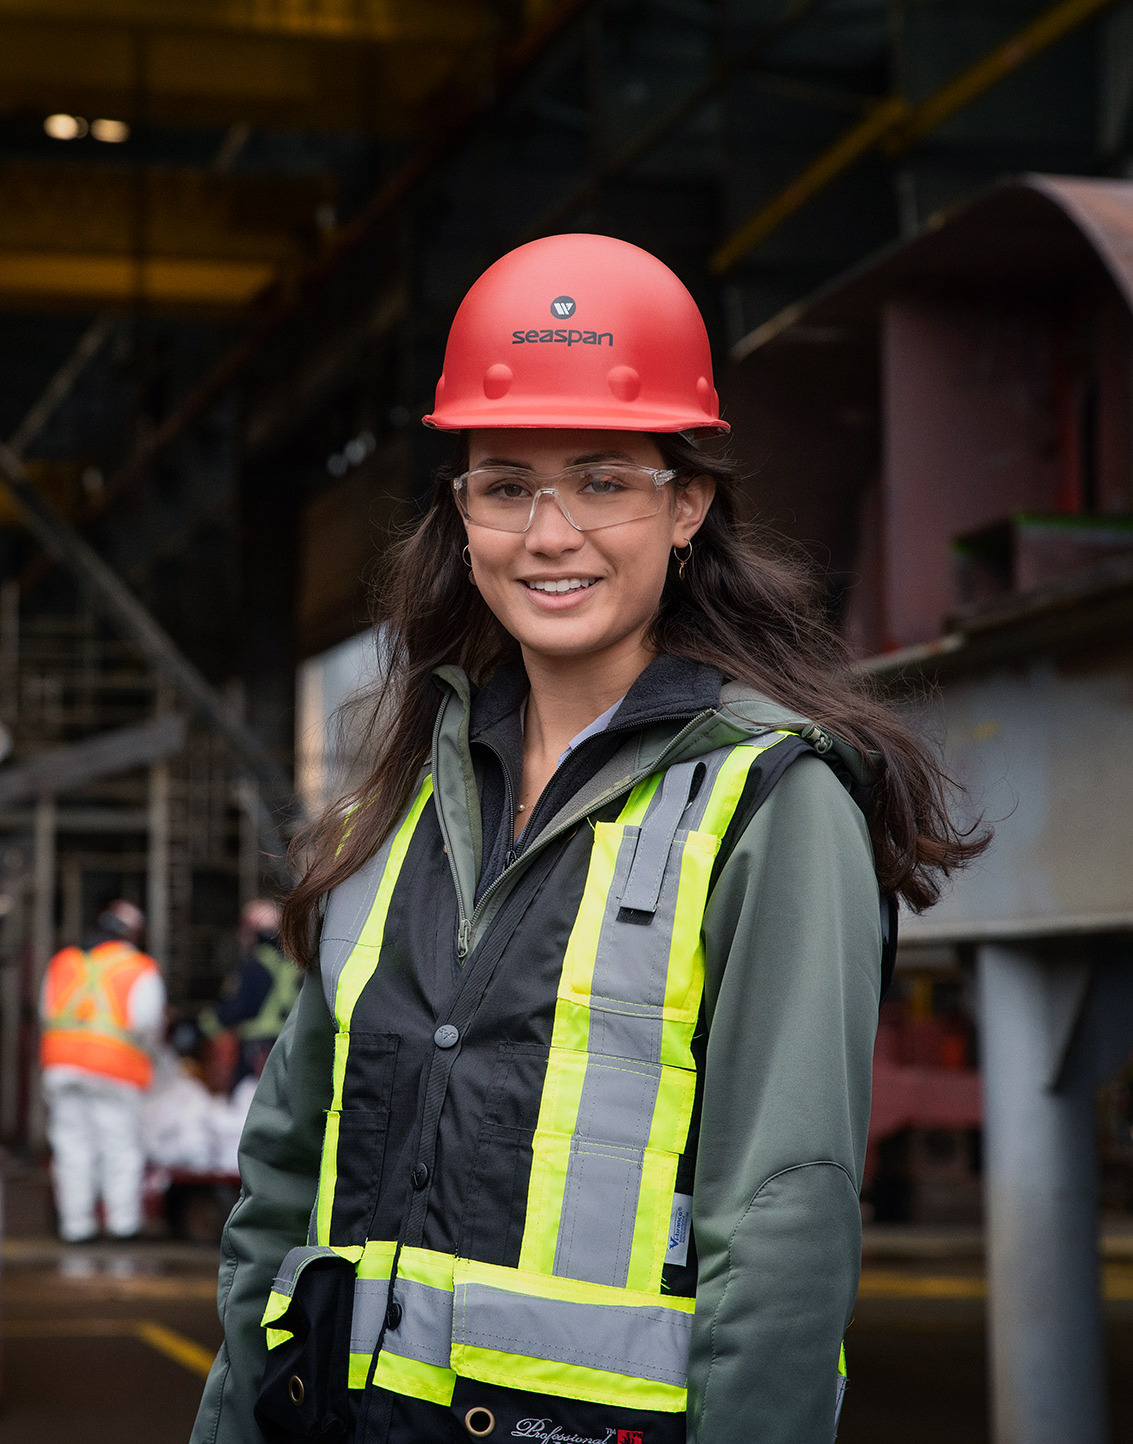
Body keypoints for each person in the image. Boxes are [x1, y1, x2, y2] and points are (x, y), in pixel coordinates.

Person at [191, 234, 984, 1444]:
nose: (547, 532)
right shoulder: (395, 803)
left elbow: (781, 1225)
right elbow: (279, 1188)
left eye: (602, 480)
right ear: (462, 515)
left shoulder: (770, 802)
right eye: (505, 484)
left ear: (686, 507)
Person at [40, 898, 165, 1242]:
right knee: (119, 1147)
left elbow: (44, 1012)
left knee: (71, 1146)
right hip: (115, 1069)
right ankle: (122, 1225)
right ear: (132, 933)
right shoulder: (138, 967)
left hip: (61, 1068)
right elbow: (147, 1023)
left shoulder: (62, 962)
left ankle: (75, 1226)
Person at [198, 899, 301, 1084]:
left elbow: (232, 1009)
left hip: (256, 1052)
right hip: (288, 1047)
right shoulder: (292, 967)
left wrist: (199, 1028)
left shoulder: (252, 967)